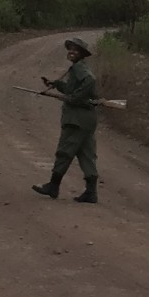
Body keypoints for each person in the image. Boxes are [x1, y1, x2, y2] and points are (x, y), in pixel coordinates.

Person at [32, 37, 100, 203]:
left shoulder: (79, 68)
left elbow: (90, 81)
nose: (71, 51)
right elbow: (71, 89)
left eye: (75, 49)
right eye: (70, 48)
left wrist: (75, 98)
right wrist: (55, 84)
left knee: (64, 151)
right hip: (87, 119)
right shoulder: (76, 68)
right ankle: (91, 193)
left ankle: (53, 186)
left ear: (82, 54)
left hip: (76, 119)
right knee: (86, 154)